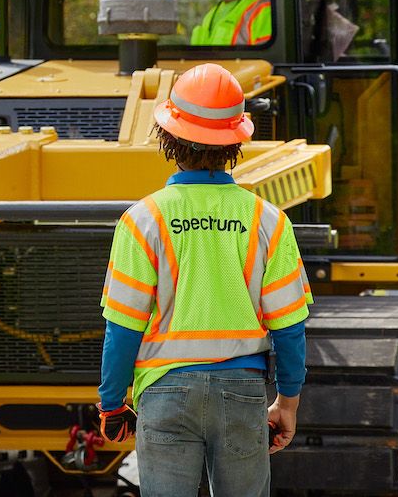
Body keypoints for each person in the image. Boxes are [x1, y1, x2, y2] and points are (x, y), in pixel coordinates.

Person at [96, 63, 309, 496]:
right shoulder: (268, 220)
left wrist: (112, 403)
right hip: (243, 393)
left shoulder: (142, 220)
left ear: (168, 138)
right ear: (237, 141)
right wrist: (287, 402)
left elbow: (122, 327)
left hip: (163, 392)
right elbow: (289, 328)